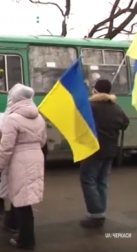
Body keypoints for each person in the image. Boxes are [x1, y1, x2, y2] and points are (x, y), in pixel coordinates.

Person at [0, 84, 46, 250]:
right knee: (24, 197)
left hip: (20, 160)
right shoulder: (39, 117)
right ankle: (12, 224)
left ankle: (26, 240)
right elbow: (43, 141)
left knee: (23, 202)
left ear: (14, 99)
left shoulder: (13, 118)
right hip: (36, 157)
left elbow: (6, 147)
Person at [79, 79, 129, 229]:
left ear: (95, 90)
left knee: (88, 180)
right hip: (110, 151)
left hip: (92, 149)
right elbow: (125, 124)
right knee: (101, 182)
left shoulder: (90, 107)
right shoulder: (116, 107)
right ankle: (100, 213)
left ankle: (96, 215)